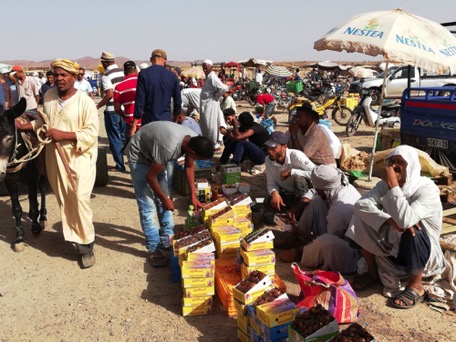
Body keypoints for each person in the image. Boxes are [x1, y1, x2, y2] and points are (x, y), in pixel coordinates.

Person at [19, 59, 99, 268]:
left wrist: (63, 134)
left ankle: (86, 245)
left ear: (74, 76)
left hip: (79, 158)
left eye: (64, 75)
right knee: (65, 199)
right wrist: (25, 126)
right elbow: (44, 122)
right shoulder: (49, 96)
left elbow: (91, 133)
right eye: (57, 75)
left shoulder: (85, 102)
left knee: (80, 198)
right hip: (55, 158)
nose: (60, 79)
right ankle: (75, 235)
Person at [345, 145, 446, 309]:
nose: (394, 166)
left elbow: (407, 222)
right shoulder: (384, 186)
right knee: (359, 219)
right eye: (391, 162)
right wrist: (387, 220)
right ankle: (373, 272)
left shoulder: (427, 189)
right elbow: (360, 205)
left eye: (400, 163)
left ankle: (416, 286)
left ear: (411, 166)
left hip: (424, 251)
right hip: (395, 242)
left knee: (414, 229)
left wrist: (393, 186)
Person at [125, 122, 214, 267]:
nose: (197, 160)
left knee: (165, 199)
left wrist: (193, 196)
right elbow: (150, 177)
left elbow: (189, 166)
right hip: (140, 155)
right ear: (192, 153)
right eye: (199, 158)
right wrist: (164, 198)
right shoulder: (169, 147)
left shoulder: (194, 140)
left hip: (157, 153)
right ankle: (154, 248)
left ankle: (167, 239)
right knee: (147, 204)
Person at [278, 165, 361, 272]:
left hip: (352, 251)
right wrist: (299, 206)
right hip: (337, 233)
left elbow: (328, 242)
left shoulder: (338, 211)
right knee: (316, 201)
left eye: (317, 188)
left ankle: (301, 249)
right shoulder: (339, 185)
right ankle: (296, 239)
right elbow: (314, 191)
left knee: (324, 243)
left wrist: (301, 232)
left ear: (324, 188)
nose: (315, 189)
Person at [263, 131, 315, 225]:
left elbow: (316, 174)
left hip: (305, 195)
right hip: (289, 194)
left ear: (284, 146)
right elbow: (271, 183)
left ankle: (301, 213)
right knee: (268, 203)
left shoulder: (296, 155)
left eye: (273, 148)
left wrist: (292, 172)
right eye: (268, 147)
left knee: (299, 180)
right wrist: (274, 193)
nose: (269, 151)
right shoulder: (268, 160)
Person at [131, 49, 181, 135]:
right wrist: (174, 120)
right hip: (166, 121)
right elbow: (178, 102)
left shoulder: (143, 74)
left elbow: (140, 100)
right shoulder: (172, 76)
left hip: (149, 121)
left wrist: (134, 125)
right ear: (165, 60)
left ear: (151, 60)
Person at [96, 51, 126, 172]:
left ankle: (120, 165)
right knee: (125, 138)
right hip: (124, 109)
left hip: (112, 110)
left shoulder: (106, 75)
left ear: (104, 62)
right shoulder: (123, 72)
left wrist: (98, 105)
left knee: (114, 138)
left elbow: (109, 94)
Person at [200, 59, 229, 150]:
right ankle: (210, 143)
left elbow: (222, 88)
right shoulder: (209, 77)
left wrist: (216, 96)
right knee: (206, 124)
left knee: (211, 124)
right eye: (203, 68)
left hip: (211, 104)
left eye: (206, 68)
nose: (204, 70)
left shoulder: (212, 77)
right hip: (207, 104)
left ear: (211, 67)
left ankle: (215, 144)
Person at [114, 61, 140, 139]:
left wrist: (124, 116)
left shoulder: (119, 87)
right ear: (136, 70)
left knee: (131, 149)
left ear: (124, 72)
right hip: (146, 122)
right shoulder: (144, 82)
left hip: (130, 124)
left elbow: (117, 108)